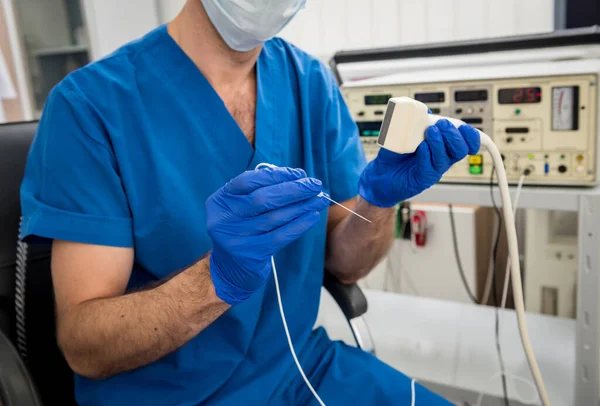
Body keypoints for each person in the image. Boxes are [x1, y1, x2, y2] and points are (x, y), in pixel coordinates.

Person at [19, 0, 480, 405]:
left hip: (300, 372)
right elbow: (85, 347)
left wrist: (378, 202)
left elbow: (345, 264)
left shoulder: (309, 84)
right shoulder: (90, 108)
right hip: (169, 396)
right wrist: (217, 279)